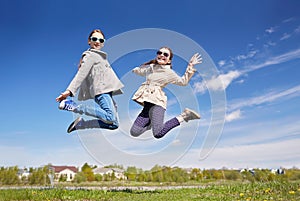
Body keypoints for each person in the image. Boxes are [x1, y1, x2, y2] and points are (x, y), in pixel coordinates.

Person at [56, 29, 124, 133]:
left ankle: (82, 124)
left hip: (107, 92)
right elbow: (81, 74)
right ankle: (76, 107)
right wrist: (69, 91)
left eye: (101, 40)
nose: (97, 41)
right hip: (102, 91)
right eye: (94, 39)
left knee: (114, 124)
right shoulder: (90, 55)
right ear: (89, 41)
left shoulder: (100, 56)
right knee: (110, 117)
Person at [130, 47, 202, 139]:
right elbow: (141, 71)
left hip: (157, 104)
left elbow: (183, 82)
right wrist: (135, 70)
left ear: (169, 60)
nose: (162, 55)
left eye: (165, 54)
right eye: (160, 53)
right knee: (134, 132)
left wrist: (190, 66)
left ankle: (184, 116)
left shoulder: (169, 73)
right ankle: (152, 123)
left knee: (158, 133)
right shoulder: (151, 68)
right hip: (147, 105)